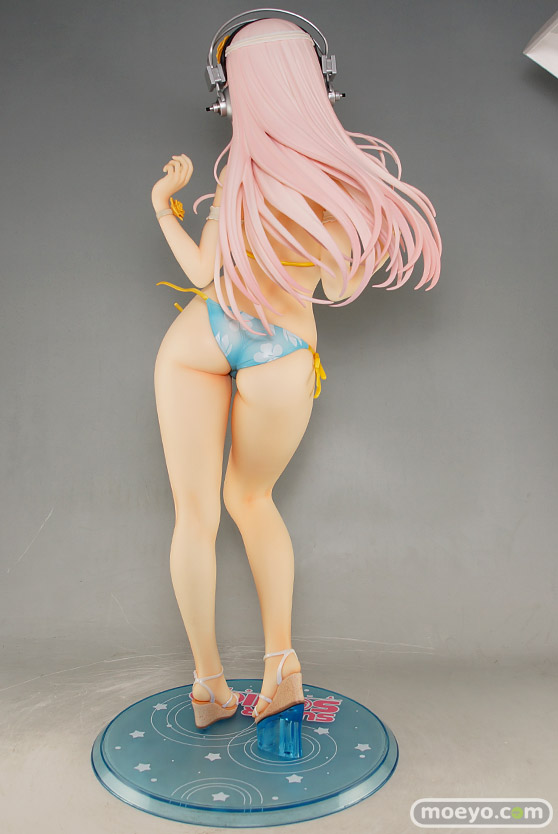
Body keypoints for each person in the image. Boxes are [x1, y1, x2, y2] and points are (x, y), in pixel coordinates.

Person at [150, 17, 441, 746]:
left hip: (199, 336)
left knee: (194, 517)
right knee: (251, 499)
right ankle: (281, 668)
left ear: (237, 93)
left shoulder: (235, 181)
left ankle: (209, 685)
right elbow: (339, 284)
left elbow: (202, 274)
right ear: (315, 84)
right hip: (280, 350)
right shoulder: (333, 190)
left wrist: (162, 209)